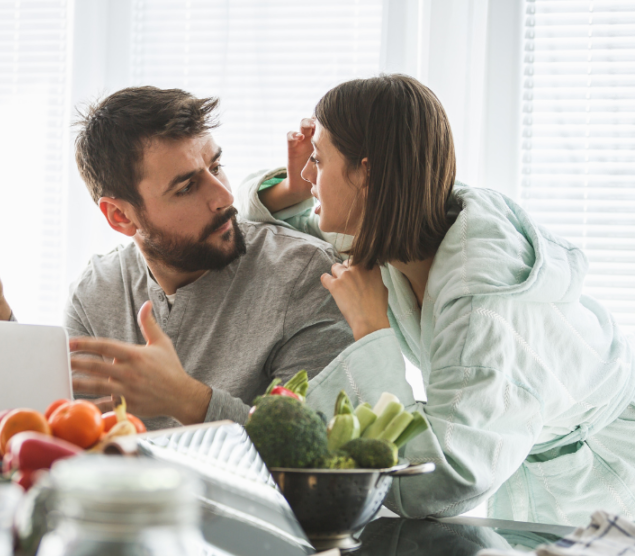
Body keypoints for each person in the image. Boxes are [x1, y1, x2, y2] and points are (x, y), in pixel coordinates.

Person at [238, 74, 635, 525]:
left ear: (365, 173)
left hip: (607, 473)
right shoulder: (396, 225)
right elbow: (266, 216)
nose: (308, 173)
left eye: (318, 160)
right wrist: (292, 186)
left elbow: (443, 482)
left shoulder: (482, 301)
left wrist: (372, 327)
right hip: (546, 461)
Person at [0, 86, 353, 429]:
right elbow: (62, 434)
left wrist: (189, 401)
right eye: (187, 187)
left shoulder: (306, 277)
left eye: (216, 165)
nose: (224, 196)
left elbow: (316, 459)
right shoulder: (98, 291)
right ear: (120, 216)